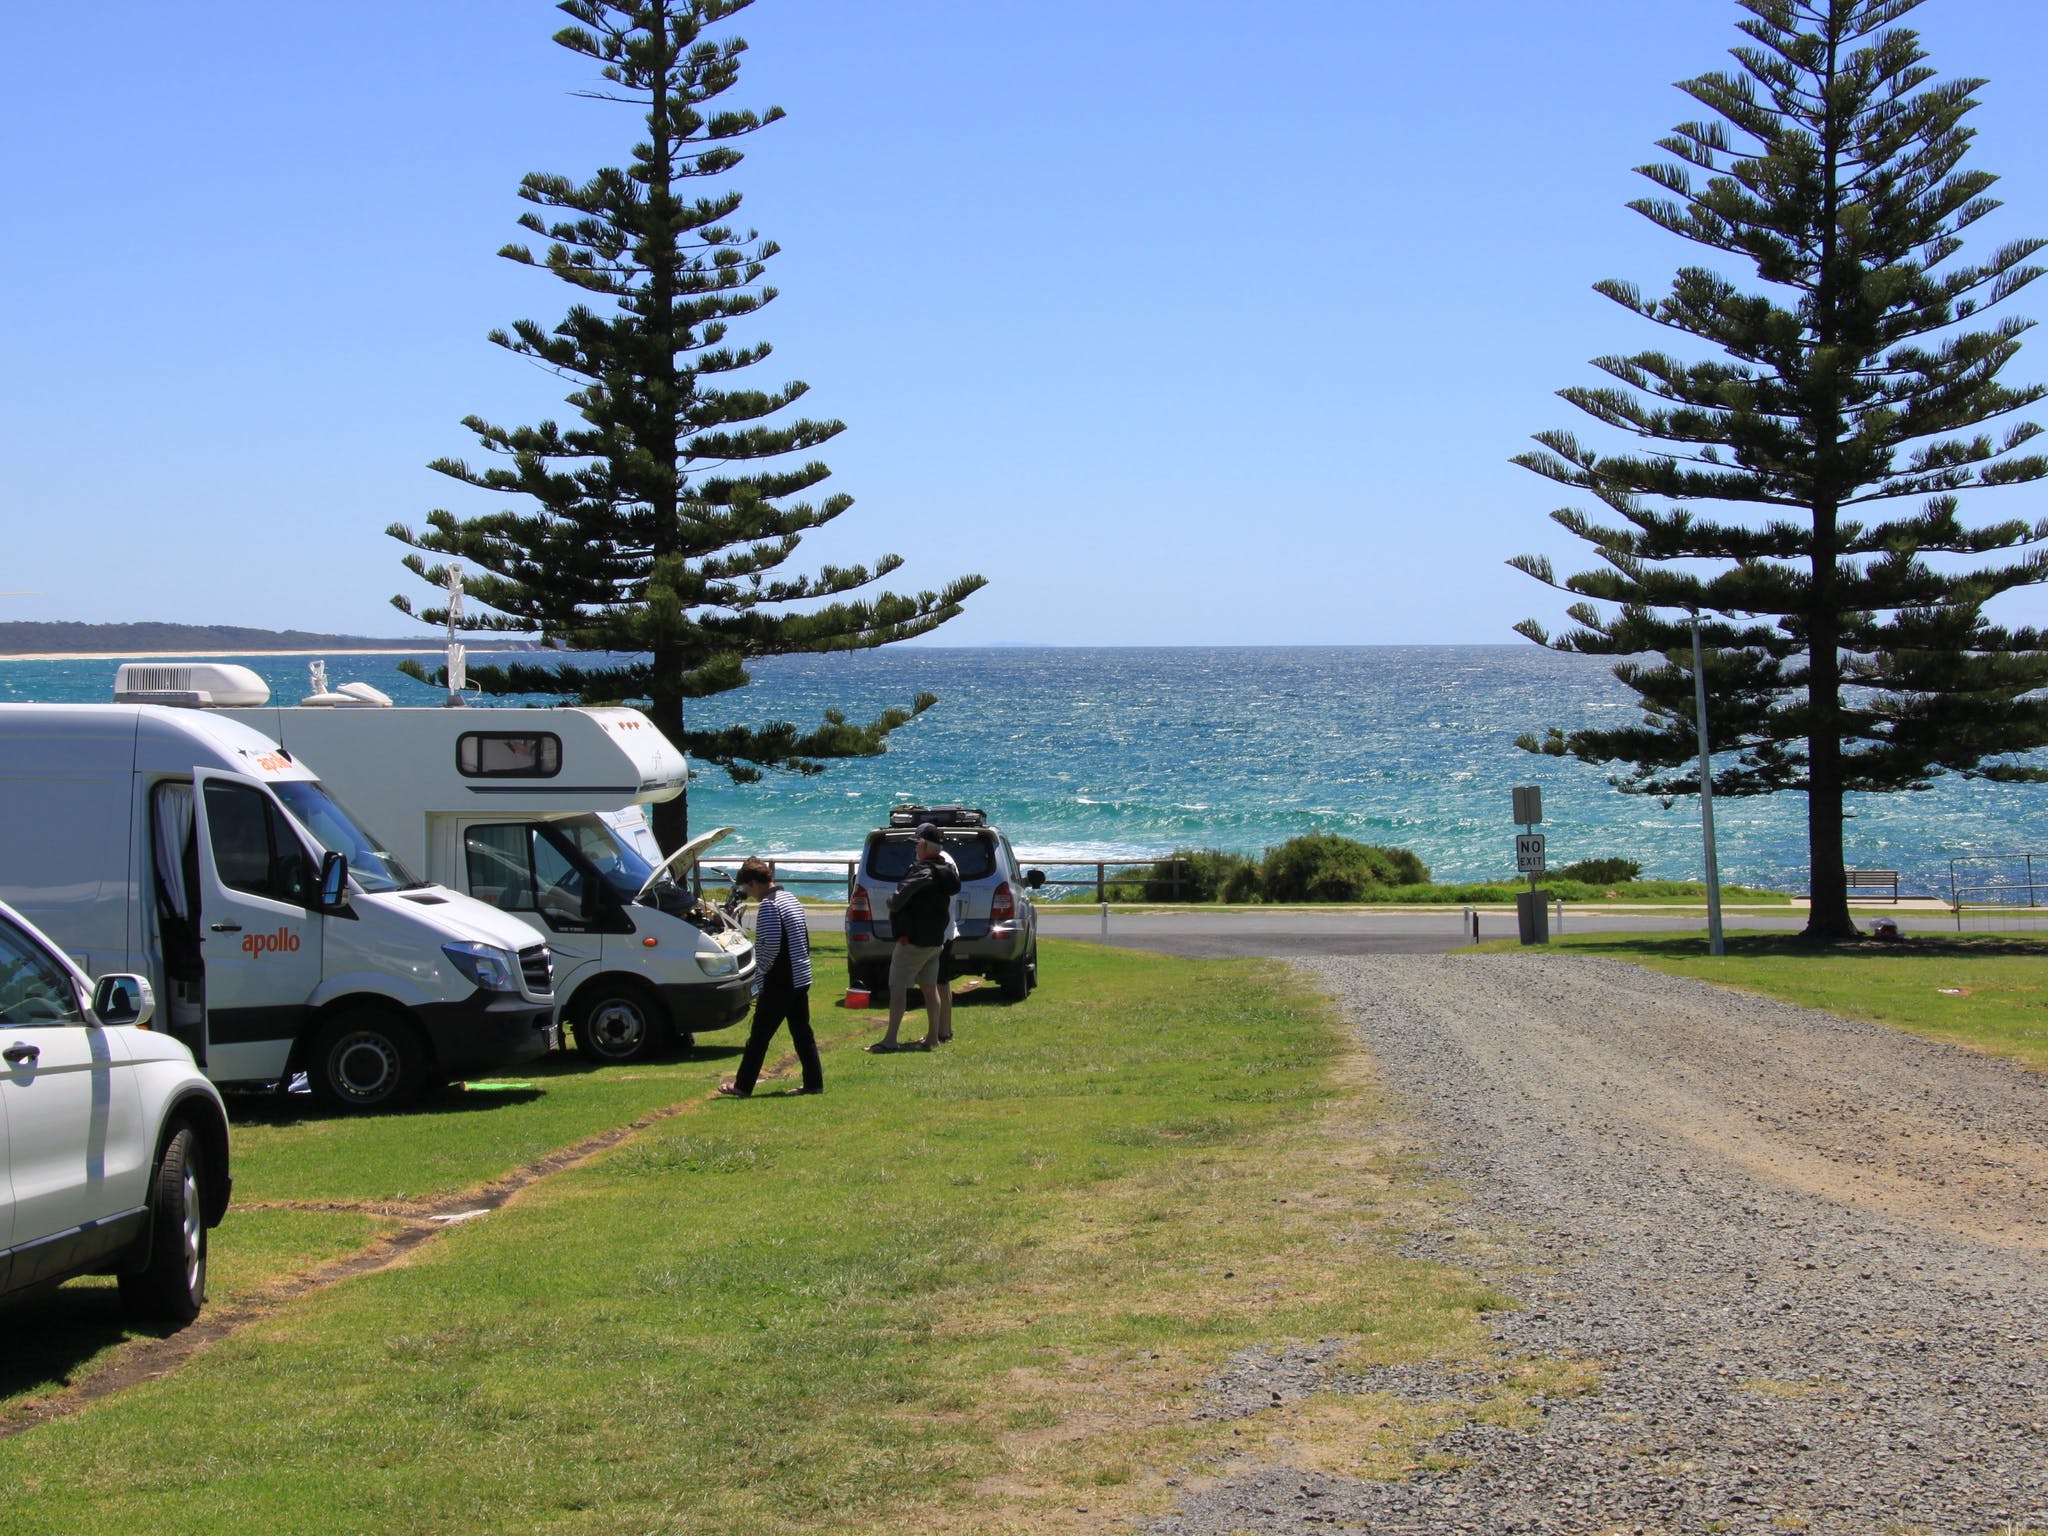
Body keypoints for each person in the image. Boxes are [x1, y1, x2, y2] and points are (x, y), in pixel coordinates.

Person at [718, 857, 822, 1097]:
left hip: (781, 979)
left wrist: (759, 973)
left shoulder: (769, 905)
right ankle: (814, 1082)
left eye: (748, 888)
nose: (749, 894)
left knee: (759, 1036)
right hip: (800, 976)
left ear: (755, 883)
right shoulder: (790, 898)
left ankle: (742, 1085)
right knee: (802, 1032)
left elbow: (770, 945)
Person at [871, 823, 961, 1051]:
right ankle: (933, 1036)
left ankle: (890, 1039)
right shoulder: (946, 870)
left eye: (917, 845)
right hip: (935, 939)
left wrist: (893, 902)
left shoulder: (923, 871)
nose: (914, 850)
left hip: (913, 940)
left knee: (898, 988)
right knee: (930, 989)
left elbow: (898, 899)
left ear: (924, 845)